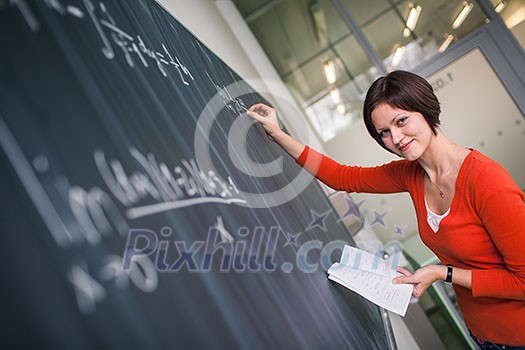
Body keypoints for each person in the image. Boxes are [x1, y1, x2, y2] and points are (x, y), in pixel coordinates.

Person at [247, 70, 525, 349]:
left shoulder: (486, 180)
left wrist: (444, 272)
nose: (397, 138)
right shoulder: (411, 173)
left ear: (426, 109)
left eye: (401, 121)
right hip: (483, 334)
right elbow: (342, 177)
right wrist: (278, 134)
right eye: (385, 133)